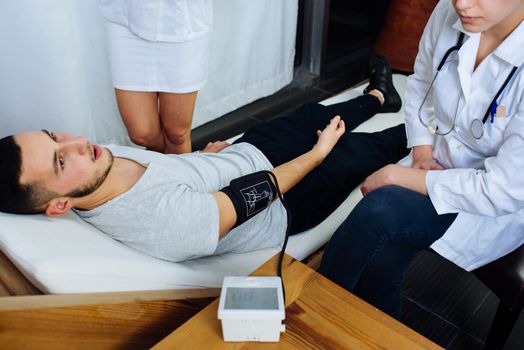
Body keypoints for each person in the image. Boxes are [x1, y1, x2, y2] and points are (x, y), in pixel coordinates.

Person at [0, 58, 407, 263]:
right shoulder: (158, 222)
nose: (76, 143)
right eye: (58, 162)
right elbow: (255, 193)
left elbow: (171, 177)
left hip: (245, 155)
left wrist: (199, 159)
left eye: (55, 136)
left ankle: (376, 98)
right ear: (58, 205)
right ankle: (429, 138)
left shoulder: (95, 162)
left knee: (314, 116)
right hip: (284, 199)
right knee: (366, 150)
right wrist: (317, 156)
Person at [319, 0, 524, 319]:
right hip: (435, 158)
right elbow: (419, 85)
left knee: (378, 214)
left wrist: (399, 177)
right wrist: (422, 151)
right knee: (378, 261)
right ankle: (360, 329)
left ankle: (311, 313)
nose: (462, 4)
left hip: (494, 203)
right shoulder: (449, 10)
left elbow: (504, 189)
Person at [98, 0, 212, 154]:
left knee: (177, 134)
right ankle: (173, 169)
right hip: (127, 16)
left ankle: (181, 175)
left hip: (184, 20)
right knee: (142, 135)